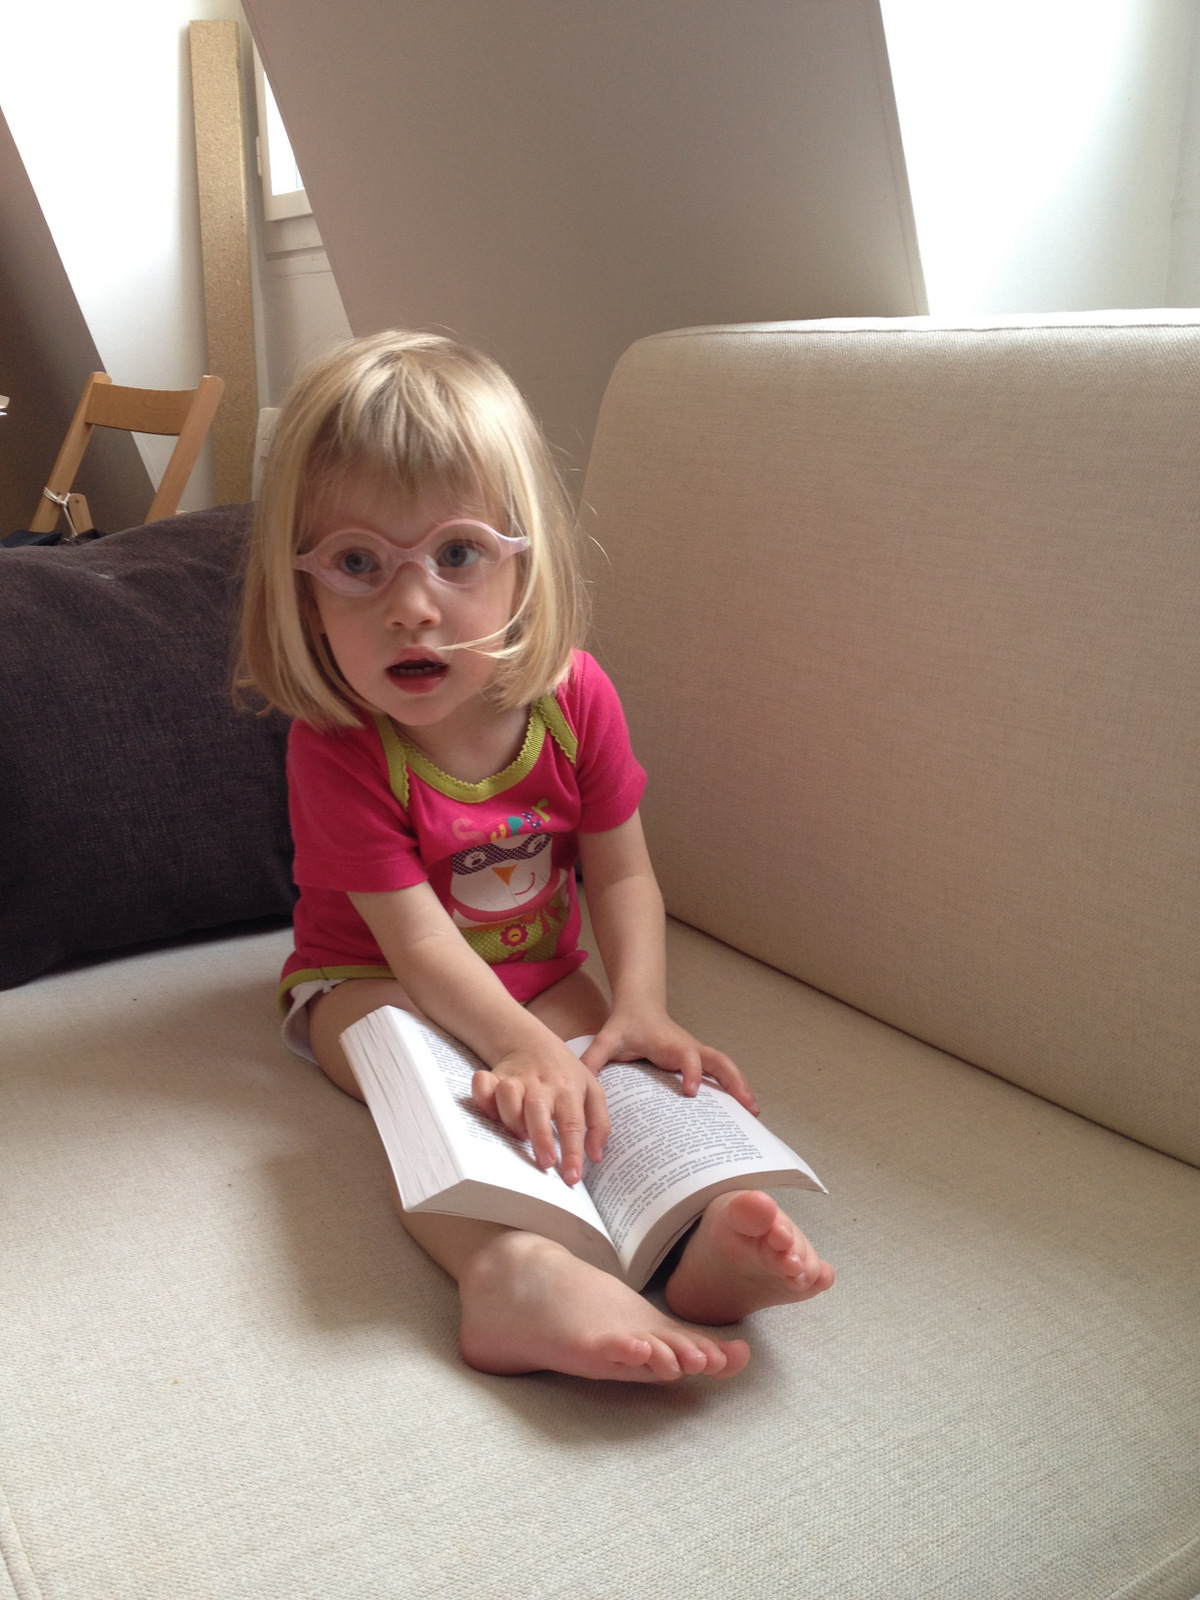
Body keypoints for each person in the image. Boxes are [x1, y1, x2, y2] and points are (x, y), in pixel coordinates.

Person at [239, 330, 833, 1383]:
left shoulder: (576, 699)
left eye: (457, 554)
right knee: (425, 1078)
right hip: (363, 979)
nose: (411, 605)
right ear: (305, 593)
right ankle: (507, 1272)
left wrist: (639, 1007)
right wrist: (514, 1046)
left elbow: (622, 872)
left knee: (614, 1075)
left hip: (539, 973)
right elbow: (419, 948)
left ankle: (691, 1245)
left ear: (523, 564)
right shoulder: (336, 746)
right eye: (358, 563)